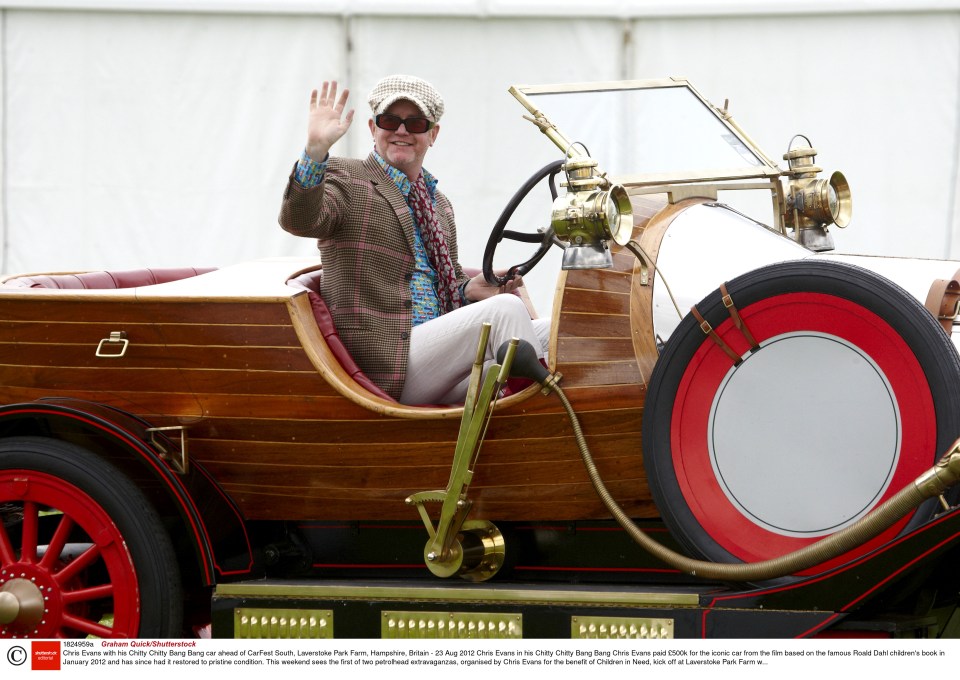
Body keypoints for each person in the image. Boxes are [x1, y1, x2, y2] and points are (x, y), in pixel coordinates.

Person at [279, 75, 549, 405]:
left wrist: (470, 291)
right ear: (372, 128)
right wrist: (315, 152)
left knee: (560, 330)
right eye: (390, 120)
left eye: (415, 122)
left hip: (437, 359)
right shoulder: (346, 177)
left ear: (432, 134)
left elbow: (445, 285)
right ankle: (538, 411)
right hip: (385, 364)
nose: (402, 131)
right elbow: (300, 220)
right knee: (506, 311)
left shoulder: (438, 204)